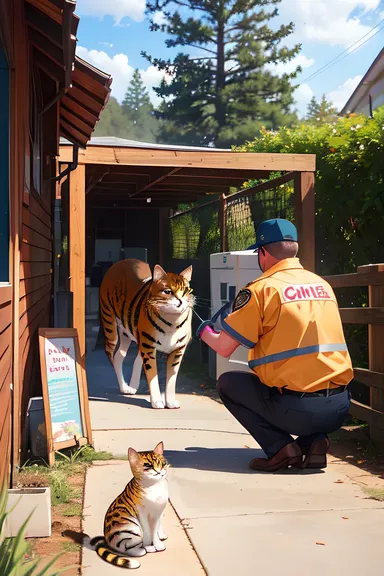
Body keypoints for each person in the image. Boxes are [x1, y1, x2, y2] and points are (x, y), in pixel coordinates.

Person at [197, 218, 353, 472]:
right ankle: (314, 442)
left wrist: (203, 330)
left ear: (263, 252)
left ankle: (281, 449)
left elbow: (224, 347)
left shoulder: (261, 290)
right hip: (339, 406)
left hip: (296, 409)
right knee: (305, 381)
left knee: (228, 384)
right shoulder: (322, 285)